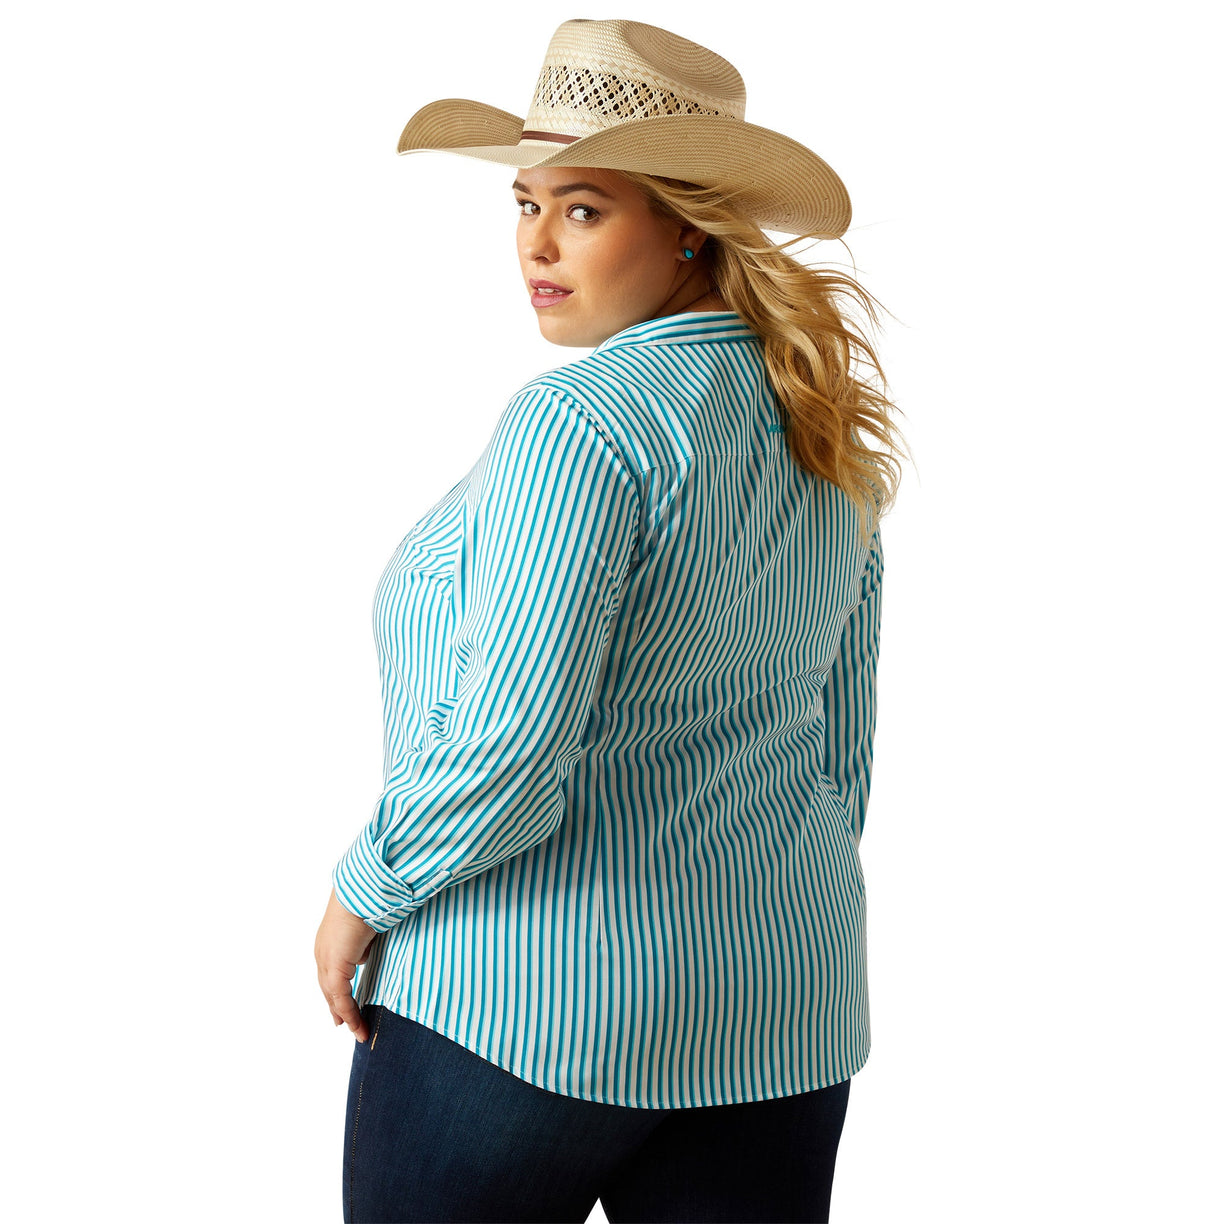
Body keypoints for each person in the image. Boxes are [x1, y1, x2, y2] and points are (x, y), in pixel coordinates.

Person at [314, 17, 905, 1224]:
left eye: (583, 209)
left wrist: (365, 888)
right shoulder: (819, 419)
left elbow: (511, 745)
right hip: (778, 1011)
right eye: (524, 204)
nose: (534, 243)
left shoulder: (578, 422)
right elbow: (841, 757)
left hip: (524, 1005)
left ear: (689, 221)